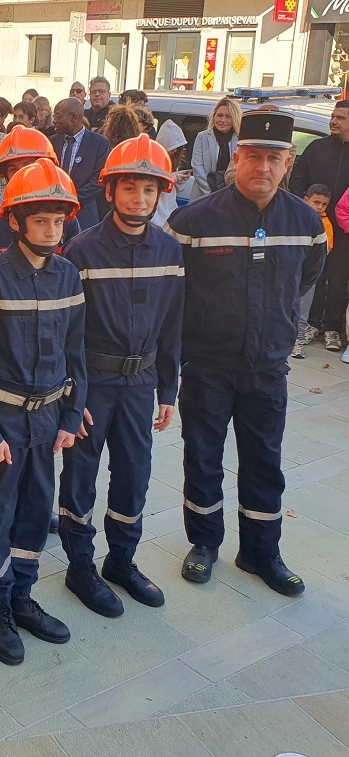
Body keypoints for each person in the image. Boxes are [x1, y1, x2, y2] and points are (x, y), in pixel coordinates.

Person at [165, 110, 326, 596]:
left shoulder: (305, 222)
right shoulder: (192, 220)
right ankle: (205, 544)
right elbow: (174, 291)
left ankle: (261, 551)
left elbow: (307, 275)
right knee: (204, 458)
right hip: (208, 366)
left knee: (263, 461)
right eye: (253, 155)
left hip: (267, 368)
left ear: (288, 162)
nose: (263, 166)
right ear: (237, 158)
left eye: (273, 158)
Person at [0, 160, 86, 666]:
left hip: (49, 416)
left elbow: (76, 351)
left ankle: (22, 595)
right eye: (40, 221)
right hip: (6, 422)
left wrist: (72, 414)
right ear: (15, 222)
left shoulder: (68, 275)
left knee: (37, 509)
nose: (51, 231)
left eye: (58, 221)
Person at [58, 134, 184, 618]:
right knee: (81, 476)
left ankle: (121, 560)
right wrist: (73, 395)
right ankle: (80, 566)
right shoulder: (82, 251)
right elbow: (65, 332)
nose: (140, 199)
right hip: (93, 382)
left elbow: (173, 325)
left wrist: (168, 389)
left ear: (161, 194)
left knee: (135, 473)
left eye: (149, 191)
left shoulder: (169, 252)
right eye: (130, 189)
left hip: (141, 383)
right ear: (109, 191)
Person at [0, 125, 79, 280]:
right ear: (5, 175)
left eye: (29, 166)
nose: (23, 175)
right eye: (13, 169)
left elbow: (71, 275)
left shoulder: (68, 220)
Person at [290, 100, 349, 354]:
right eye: (333, 116)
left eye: (341, 118)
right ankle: (311, 324)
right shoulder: (316, 148)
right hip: (316, 227)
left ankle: (333, 327)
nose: (333, 121)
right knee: (314, 275)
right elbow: (297, 181)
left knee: (338, 279)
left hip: (344, 230)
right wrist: (308, 206)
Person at [50, 98, 110, 230]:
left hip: (85, 216)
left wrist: (70, 200)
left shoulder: (99, 143)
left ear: (73, 117)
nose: (54, 120)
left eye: (58, 116)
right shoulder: (52, 142)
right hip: (53, 216)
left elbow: (98, 180)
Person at [293, 184, 334, 359]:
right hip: (288, 272)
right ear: (305, 200)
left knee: (303, 310)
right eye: (316, 202)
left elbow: (326, 249)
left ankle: (298, 343)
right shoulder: (293, 218)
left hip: (308, 275)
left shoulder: (325, 224)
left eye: (324, 204)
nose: (320, 207)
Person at [190, 97, 240, 200]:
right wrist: (211, 193)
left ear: (234, 119)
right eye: (219, 115)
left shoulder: (240, 140)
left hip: (231, 197)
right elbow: (197, 167)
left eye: (228, 116)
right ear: (214, 117)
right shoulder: (202, 137)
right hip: (203, 195)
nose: (222, 120)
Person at [151, 120, 190, 229]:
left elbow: (173, 191)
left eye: (177, 148)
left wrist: (180, 180)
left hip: (169, 215)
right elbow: (154, 186)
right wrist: (174, 177)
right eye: (173, 147)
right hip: (156, 219)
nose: (175, 151)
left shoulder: (171, 162)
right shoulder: (153, 161)